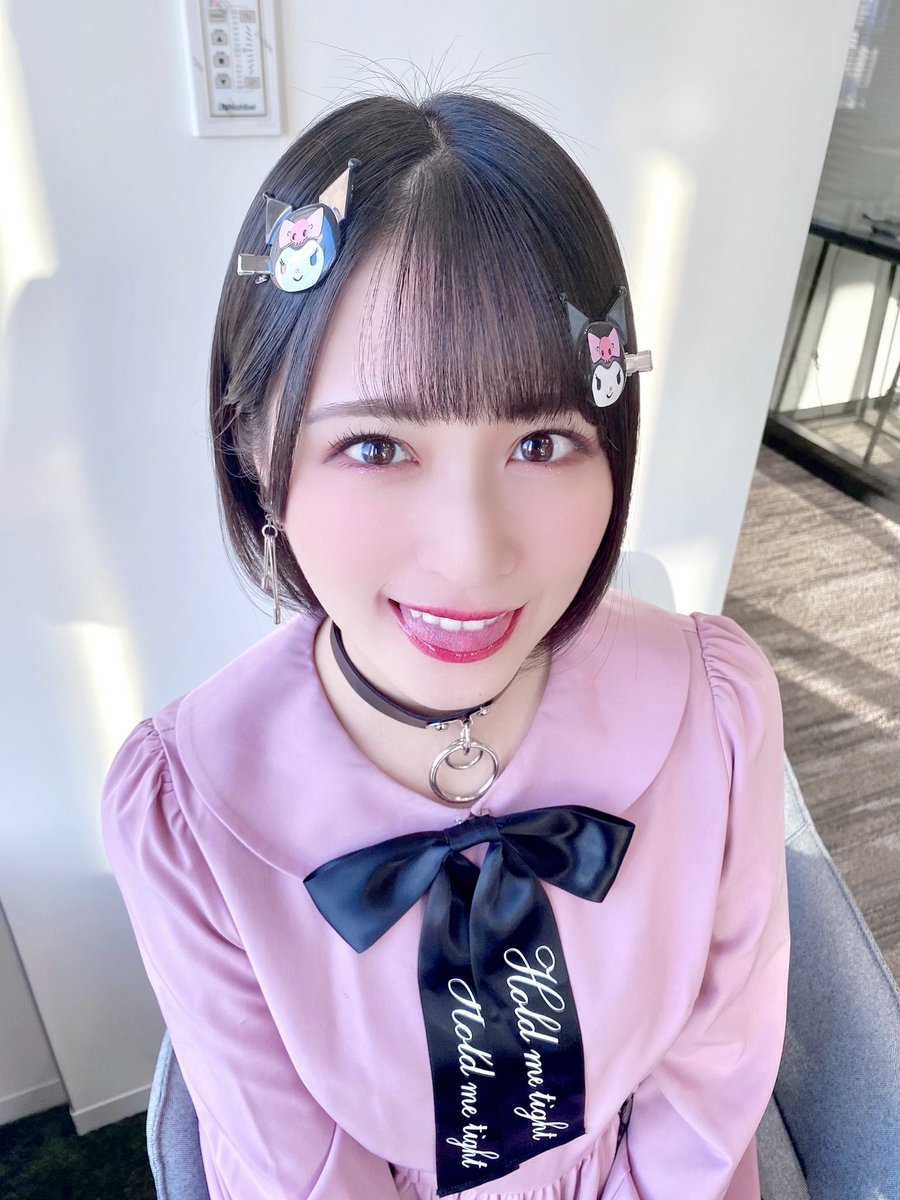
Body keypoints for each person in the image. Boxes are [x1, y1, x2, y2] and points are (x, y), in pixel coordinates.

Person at [101, 91, 790, 1200]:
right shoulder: (186, 813)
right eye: (377, 446)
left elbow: (713, 1081)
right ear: (256, 454)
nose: (473, 555)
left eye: (543, 441)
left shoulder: (718, 714)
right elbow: (299, 1176)